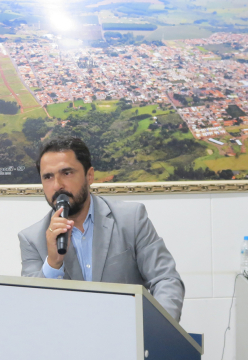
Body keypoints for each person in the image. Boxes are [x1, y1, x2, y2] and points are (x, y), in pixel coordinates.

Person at [18, 137, 185, 321]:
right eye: (48, 177)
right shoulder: (32, 239)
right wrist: (53, 264)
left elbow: (166, 279)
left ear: (89, 176)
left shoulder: (131, 219)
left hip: (128, 334)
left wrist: (157, 330)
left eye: (67, 173)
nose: (57, 185)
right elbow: (32, 308)